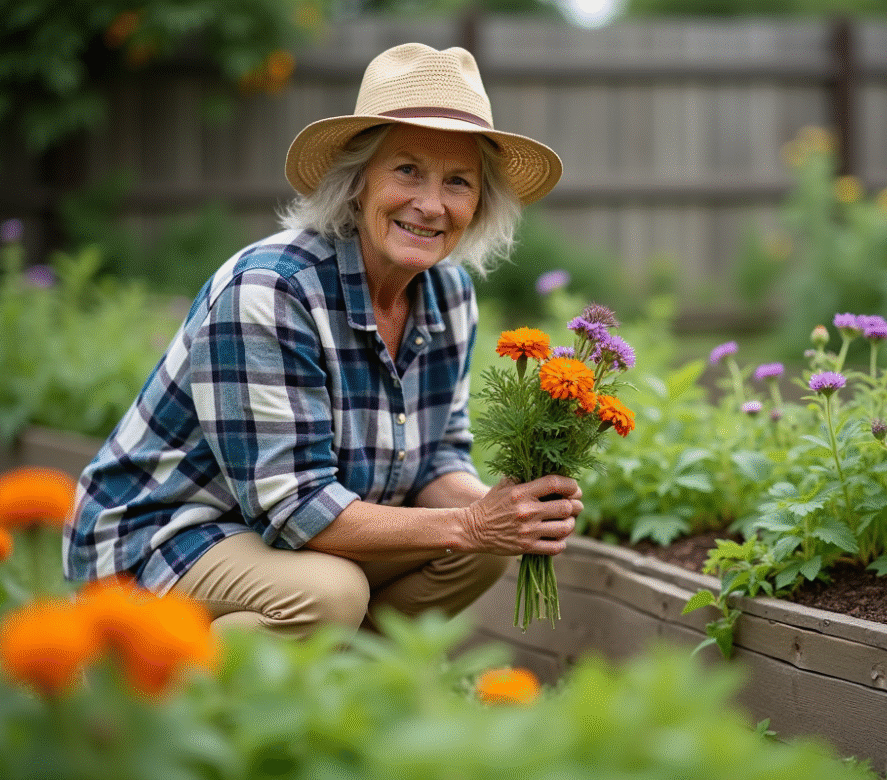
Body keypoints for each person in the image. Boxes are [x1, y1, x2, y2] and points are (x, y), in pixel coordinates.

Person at [64, 43, 580, 638]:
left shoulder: (450, 295)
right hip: (160, 538)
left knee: (484, 551)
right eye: (407, 170)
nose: (431, 205)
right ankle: (146, 673)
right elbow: (296, 511)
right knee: (334, 592)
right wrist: (472, 521)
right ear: (358, 181)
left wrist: (509, 507)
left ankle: (339, 692)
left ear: (480, 203)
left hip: (284, 544)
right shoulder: (271, 291)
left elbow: (435, 459)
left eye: (458, 182)